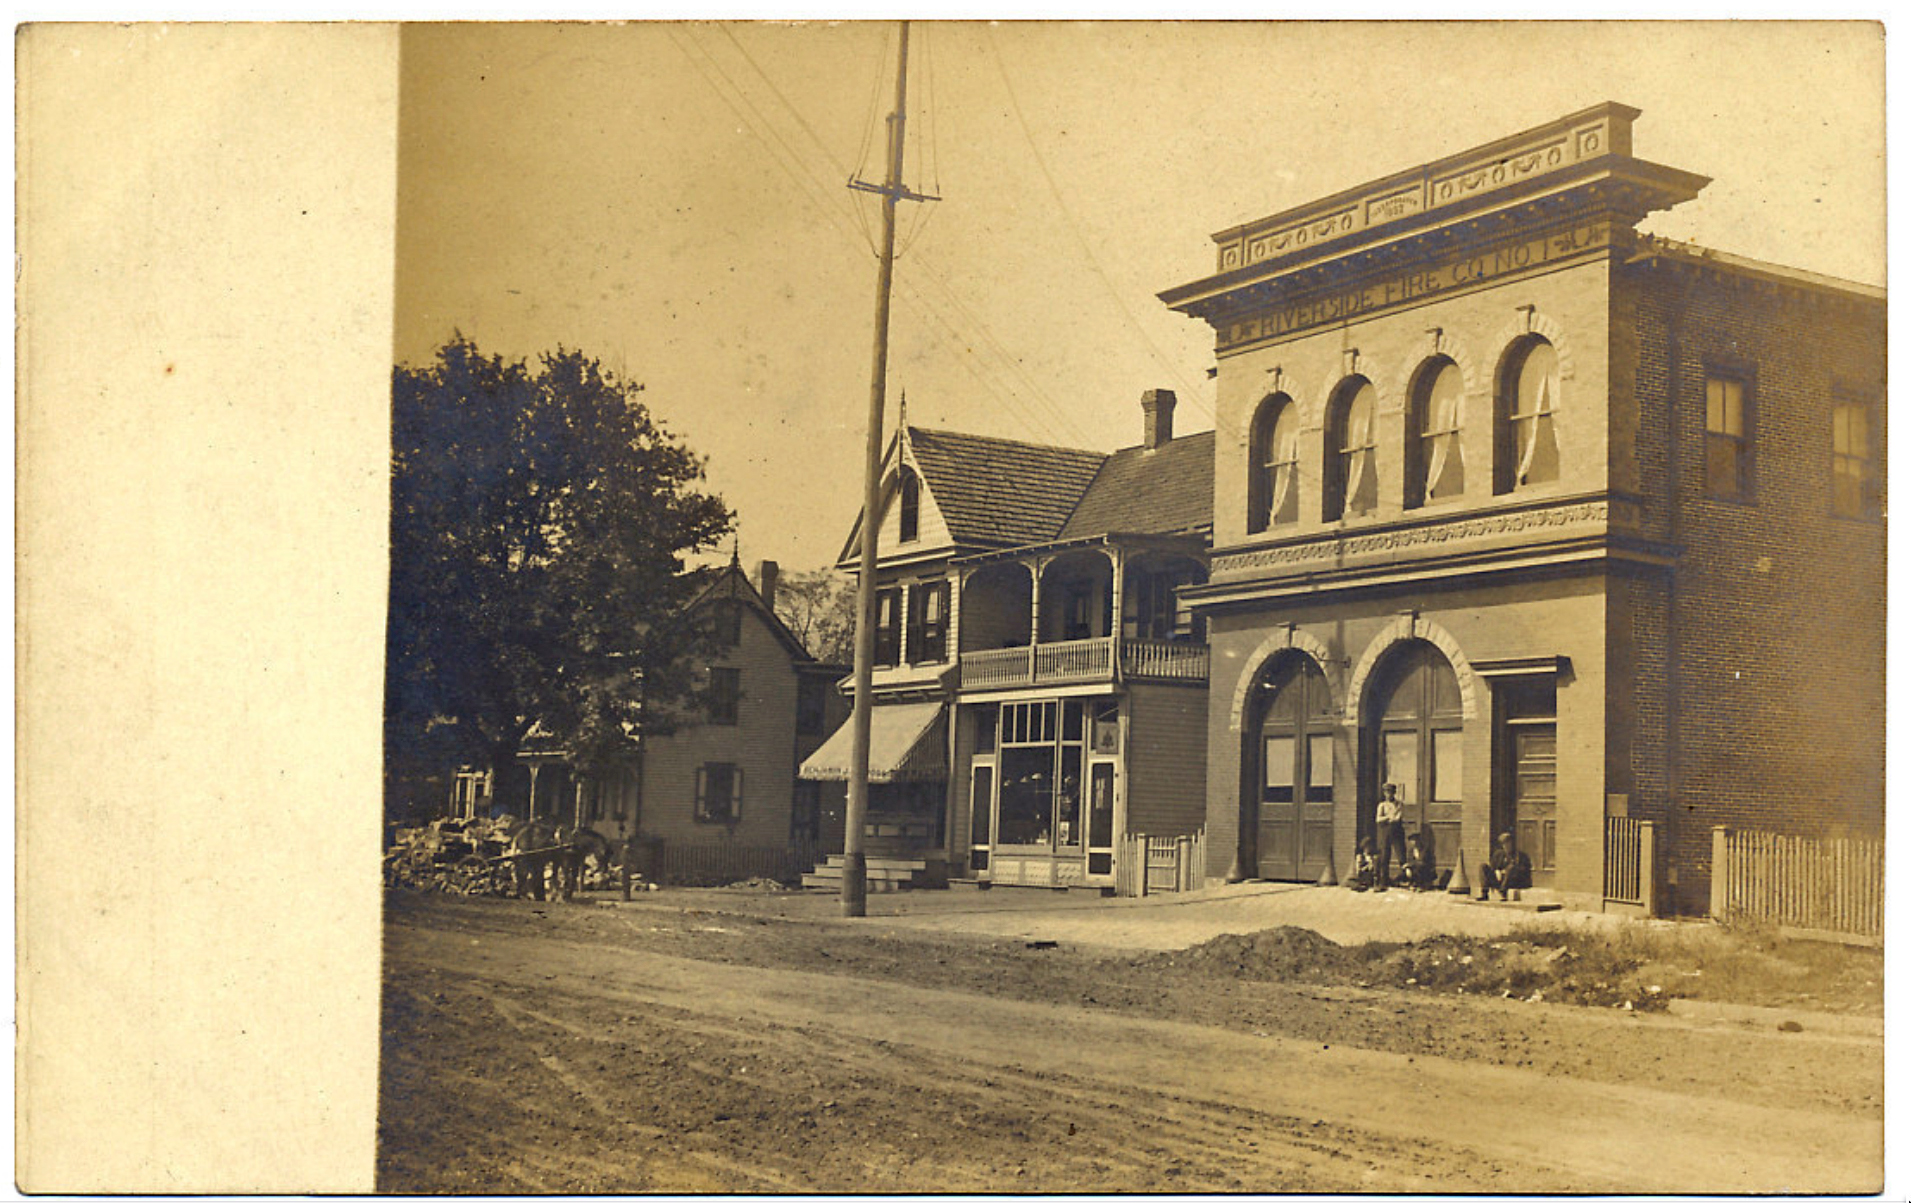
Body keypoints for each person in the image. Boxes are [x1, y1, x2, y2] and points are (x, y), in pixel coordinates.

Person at [1479, 831, 1533, 901]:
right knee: (1483, 866)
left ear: (1512, 844)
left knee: (1511, 868)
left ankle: (1503, 893)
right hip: (1500, 880)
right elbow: (1492, 867)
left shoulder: (1521, 856)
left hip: (1515, 881)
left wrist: (1507, 871)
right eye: (1504, 844)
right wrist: (1496, 871)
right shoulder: (1499, 855)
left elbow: (1525, 871)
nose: (1506, 846)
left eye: (1508, 843)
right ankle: (1484, 893)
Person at [1373, 784, 1406, 892]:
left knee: (1401, 855)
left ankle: (1405, 879)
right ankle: (1383, 881)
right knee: (1384, 856)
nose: (1388, 794)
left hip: (1397, 831)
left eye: (1390, 792)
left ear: (1394, 793)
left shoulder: (1399, 804)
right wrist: (1388, 817)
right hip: (1385, 832)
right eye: (1386, 792)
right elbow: (1378, 819)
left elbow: (1397, 818)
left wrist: (1393, 817)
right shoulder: (1382, 805)